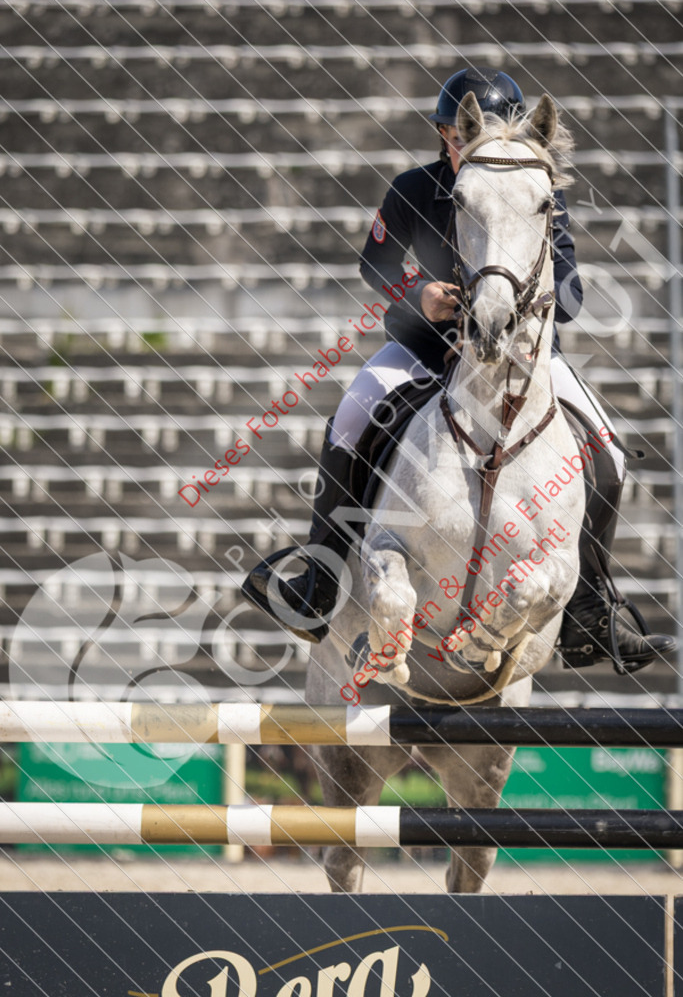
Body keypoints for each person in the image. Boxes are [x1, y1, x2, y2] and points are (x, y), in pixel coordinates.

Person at [242, 67, 674, 674]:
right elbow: (376, 264)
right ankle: (321, 576)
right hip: (422, 348)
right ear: (446, 131)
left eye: (464, 131)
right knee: (349, 417)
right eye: (452, 132)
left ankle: (589, 608)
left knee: (610, 450)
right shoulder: (414, 188)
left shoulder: (536, 192)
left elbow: (570, 297)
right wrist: (419, 294)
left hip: (521, 357)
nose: (457, 143)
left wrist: (522, 301)